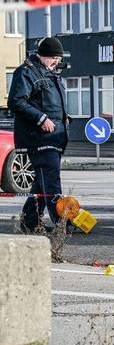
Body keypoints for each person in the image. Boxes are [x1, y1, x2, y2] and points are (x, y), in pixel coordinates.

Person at [9, 37, 69, 233]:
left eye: (58, 59)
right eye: (54, 58)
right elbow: (16, 101)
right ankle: (61, 222)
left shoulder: (49, 73)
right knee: (51, 180)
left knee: (41, 183)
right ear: (43, 56)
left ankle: (29, 220)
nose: (57, 62)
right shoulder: (26, 72)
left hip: (54, 138)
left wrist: (64, 119)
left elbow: (52, 103)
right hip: (39, 139)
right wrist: (41, 119)